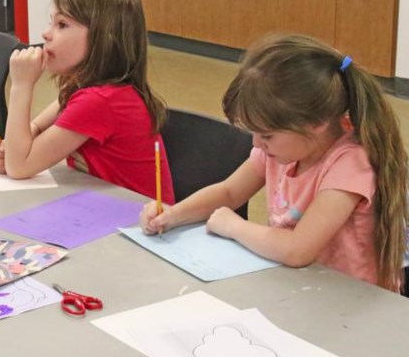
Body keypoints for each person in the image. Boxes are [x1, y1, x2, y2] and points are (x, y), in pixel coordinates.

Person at [140, 34, 408, 293]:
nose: (256, 144)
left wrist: (234, 226)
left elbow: (297, 249)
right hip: (300, 286)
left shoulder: (350, 163)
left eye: (266, 135)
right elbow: (229, 193)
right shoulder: (283, 148)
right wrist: (173, 215)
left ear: (315, 124)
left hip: (352, 301)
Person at [0, 0, 174, 203]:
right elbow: (35, 130)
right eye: (51, 22)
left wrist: (21, 85)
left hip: (133, 223)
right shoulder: (89, 88)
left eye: (62, 24)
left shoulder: (100, 101)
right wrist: (13, 148)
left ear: (104, 40)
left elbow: (19, 167)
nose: (46, 34)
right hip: (105, 208)